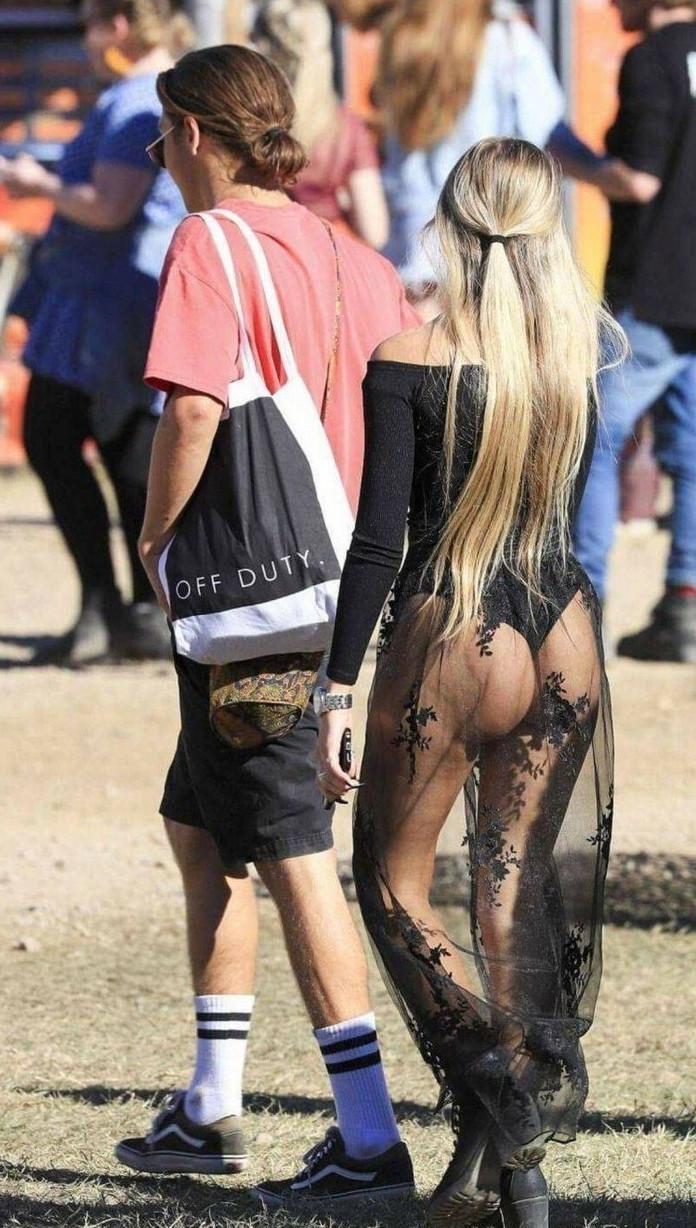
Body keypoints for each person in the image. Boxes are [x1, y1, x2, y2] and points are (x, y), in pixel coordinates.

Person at [114, 44, 420, 1205]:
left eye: (163, 138)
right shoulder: (356, 256)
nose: (163, 159)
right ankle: (211, 1101)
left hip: (254, 599)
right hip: (333, 592)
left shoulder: (209, 241)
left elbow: (193, 409)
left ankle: (368, 1135)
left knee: (295, 854)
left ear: (195, 133)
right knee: (202, 826)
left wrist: (154, 540)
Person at [315, 138, 622, 1227]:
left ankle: (504, 1091)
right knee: (511, 893)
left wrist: (334, 687)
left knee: (393, 884)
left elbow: (378, 545)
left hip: (455, 629)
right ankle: (501, 1178)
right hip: (564, 631)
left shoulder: (409, 355)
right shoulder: (575, 354)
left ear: (449, 223)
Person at [0, 0, 188, 664]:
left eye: (90, 24)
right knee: (111, 449)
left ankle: (124, 609)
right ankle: (126, 610)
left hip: (110, 303)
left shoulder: (138, 99)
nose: (84, 39)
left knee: (87, 444)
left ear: (119, 25)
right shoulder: (150, 91)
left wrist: (36, 184)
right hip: (113, 299)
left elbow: (110, 207)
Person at [572, 0, 696, 663]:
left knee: (592, 440)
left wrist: (571, 160)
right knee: (693, 455)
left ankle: (580, 610)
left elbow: (640, 180)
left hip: (652, 292)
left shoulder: (651, 58)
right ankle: (685, 605)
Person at [376, 0, 567, 315]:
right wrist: (607, 172)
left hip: (414, 247)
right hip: (487, 241)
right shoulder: (509, 41)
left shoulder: (404, 39)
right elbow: (544, 131)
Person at [253, 0, 389, 247]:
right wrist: (343, 203)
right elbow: (375, 232)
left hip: (272, 251)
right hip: (332, 252)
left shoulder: (253, 127)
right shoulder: (345, 129)